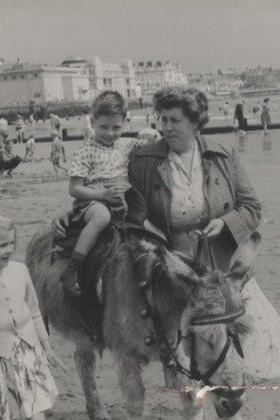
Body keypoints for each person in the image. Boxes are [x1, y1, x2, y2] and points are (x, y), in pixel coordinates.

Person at [53, 87, 280, 384]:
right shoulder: (145, 160)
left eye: (174, 120)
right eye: (162, 119)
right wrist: (71, 214)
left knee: (234, 353)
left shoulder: (225, 157)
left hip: (220, 266)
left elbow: (251, 207)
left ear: (196, 122)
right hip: (173, 268)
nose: (166, 127)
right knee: (183, 348)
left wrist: (225, 223)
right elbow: (111, 191)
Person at [0, 210, 63, 420]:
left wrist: (46, 346)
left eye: (12, 243)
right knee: (5, 414)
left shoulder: (20, 270)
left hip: (29, 356)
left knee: (36, 410)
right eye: (3, 245)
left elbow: (34, 311)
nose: (10, 250)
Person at [59, 91, 150, 297]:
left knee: (143, 218)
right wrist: (102, 195)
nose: (110, 133)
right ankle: (73, 268)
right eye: (103, 127)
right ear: (92, 122)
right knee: (102, 216)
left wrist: (155, 135)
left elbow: (149, 143)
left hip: (123, 197)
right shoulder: (85, 151)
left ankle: (142, 262)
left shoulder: (125, 144)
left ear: (124, 124)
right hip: (93, 200)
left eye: (116, 128)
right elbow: (74, 189)